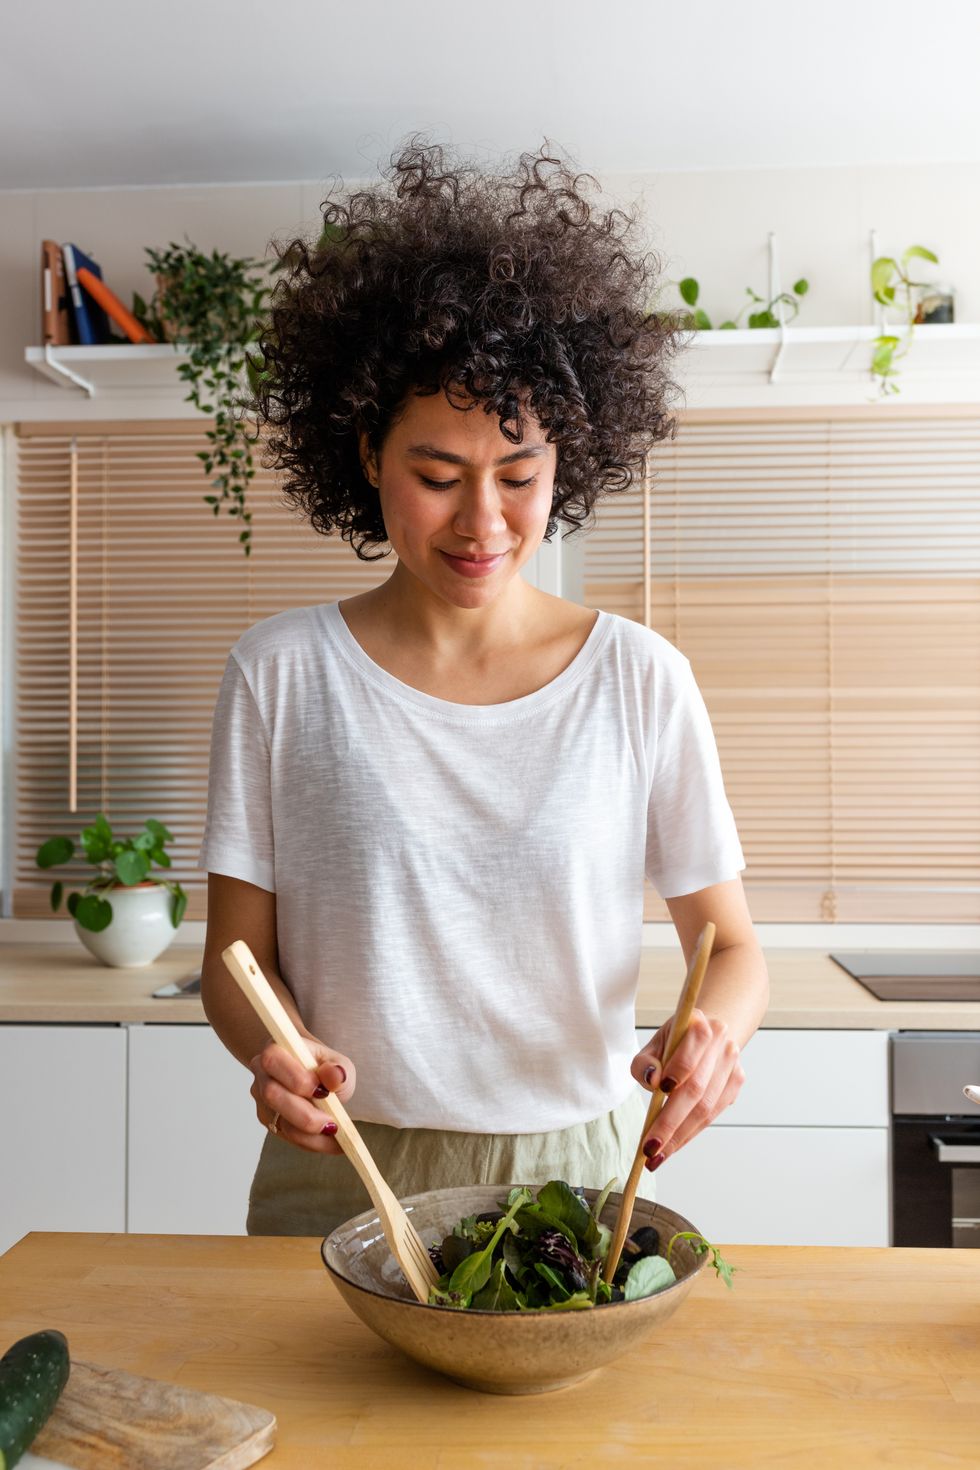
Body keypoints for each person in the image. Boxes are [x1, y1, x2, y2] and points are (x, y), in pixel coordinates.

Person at [199, 136, 769, 1237]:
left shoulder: (638, 680)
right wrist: (269, 1049)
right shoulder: (278, 676)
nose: (483, 524)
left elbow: (732, 948)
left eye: (518, 477)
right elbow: (236, 962)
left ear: (568, 462)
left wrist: (712, 1037)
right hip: (344, 1163)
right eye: (435, 476)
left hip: (576, 1164)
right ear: (365, 452)